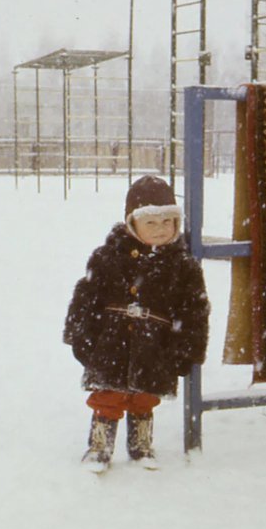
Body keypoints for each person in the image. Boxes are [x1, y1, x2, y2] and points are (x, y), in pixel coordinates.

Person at [63, 175, 210, 473]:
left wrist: (186, 349)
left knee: (145, 396)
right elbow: (86, 296)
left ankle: (141, 444)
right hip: (111, 341)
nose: (160, 230)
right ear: (132, 223)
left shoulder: (183, 266)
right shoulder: (107, 257)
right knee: (108, 394)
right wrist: (81, 336)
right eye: (151, 223)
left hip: (156, 345)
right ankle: (99, 445)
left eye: (167, 222)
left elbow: (195, 310)